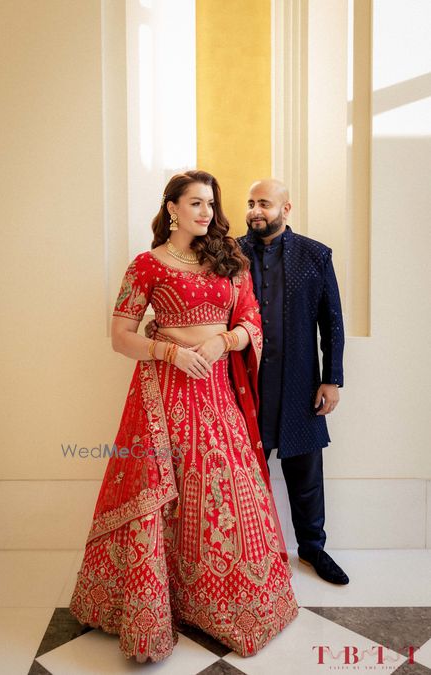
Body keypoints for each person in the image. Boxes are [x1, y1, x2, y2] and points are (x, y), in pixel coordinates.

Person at [69, 171, 298, 663]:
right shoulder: (146, 265)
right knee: (164, 491)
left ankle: (222, 604)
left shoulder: (229, 260)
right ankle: (158, 602)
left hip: (216, 392)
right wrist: (169, 353)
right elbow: (121, 336)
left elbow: (251, 322)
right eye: (195, 203)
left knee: (224, 491)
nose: (206, 212)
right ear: (172, 208)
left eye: (210, 204)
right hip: (166, 394)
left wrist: (223, 341)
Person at [237, 178, 349, 585]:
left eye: (264, 203)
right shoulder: (231, 254)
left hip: (300, 383)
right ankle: (251, 554)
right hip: (242, 386)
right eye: (251, 203)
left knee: (306, 475)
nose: (255, 211)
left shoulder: (315, 255)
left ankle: (313, 550)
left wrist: (331, 379)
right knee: (243, 476)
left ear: (285, 209)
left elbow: (331, 322)